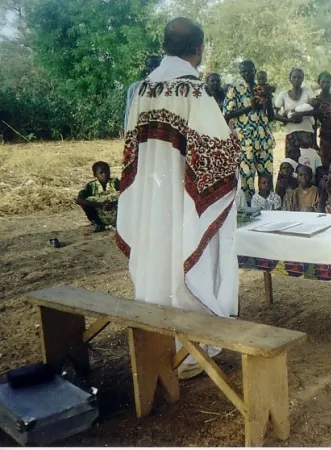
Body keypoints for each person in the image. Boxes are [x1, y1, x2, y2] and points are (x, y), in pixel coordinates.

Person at [117, 18, 240, 380]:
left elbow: (129, 152)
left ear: (163, 45)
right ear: (199, 50)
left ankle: (157, 344)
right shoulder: (194, 92)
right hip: (183, 202)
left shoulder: (142, 90)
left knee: (156, 260)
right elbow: (220, 154)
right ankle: (189, 352)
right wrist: (236, 149)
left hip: (150, 198)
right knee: (186, 261)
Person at [223, 60, 276, 203]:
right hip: (246, 142)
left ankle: (270, 209)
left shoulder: (263, 88)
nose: (247, 74)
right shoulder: (235, 90)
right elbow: (226, 115)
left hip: (264, 141)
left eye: (249, 71)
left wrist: (268, 99)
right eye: (243, 72)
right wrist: (249, 108)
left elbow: (271, 117)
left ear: (255, 70)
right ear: (240, 73)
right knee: (247, 180)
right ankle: (249, 213)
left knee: (267, 178)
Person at [274, 67, 316, 150]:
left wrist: (301, 114)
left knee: (307, 161)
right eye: (294, 77)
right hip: (291, 135)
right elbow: (274, 114)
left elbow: (315, 109)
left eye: (300, 77)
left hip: (307, 134)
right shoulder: (283, 94)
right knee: (291, 161)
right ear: (290, 79)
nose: (297, 79)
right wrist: (289, 120)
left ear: (303, 79)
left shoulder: (308, 91)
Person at [76, 161, 120, 232]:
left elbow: (128, 195)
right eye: (101, 172)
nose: (105, 174)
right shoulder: (91, 186)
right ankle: (97, 223)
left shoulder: (115, 182)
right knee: (86, 202)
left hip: (116, 213)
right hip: (99, 215)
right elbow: (79, 200)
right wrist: (100, 205)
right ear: (94, 174)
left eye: (107, 171)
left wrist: (114, 203)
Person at [124, 55, 161, 130]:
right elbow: (129, 114)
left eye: (157, 66)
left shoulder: (169, 90)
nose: (153, 69)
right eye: (150, 66)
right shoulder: (134, 88)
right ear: (146, 68)